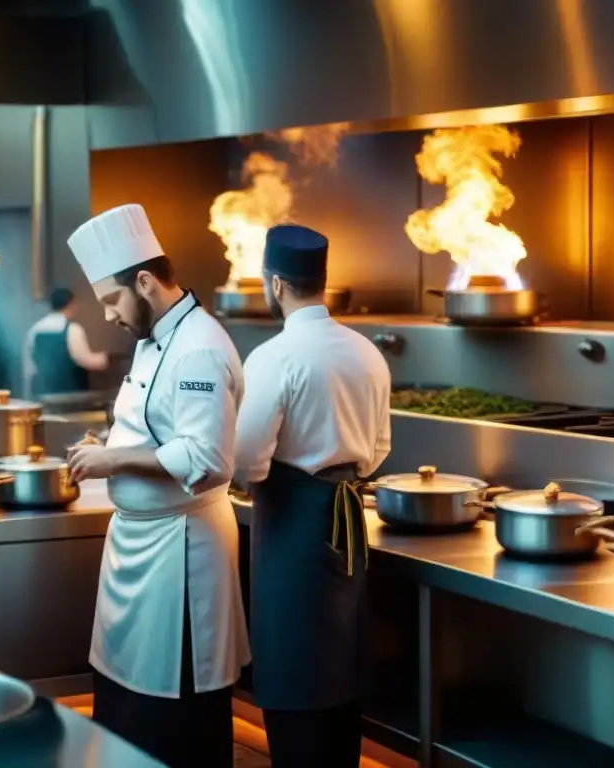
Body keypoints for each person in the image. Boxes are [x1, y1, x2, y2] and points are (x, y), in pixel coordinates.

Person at [65, 203, 250, 768]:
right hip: (140, 546)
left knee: (175, 707)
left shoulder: (197, 345)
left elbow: (206, 457)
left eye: (112, 301)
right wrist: (110, 444)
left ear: (144, 281)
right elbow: (156, 426)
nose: (109, 317)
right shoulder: (152, 339)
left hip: (180, 551)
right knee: (126, 701)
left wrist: (113, 461)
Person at [233, 224, 392, 768]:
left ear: (274, 284)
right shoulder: (368, 353)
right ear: (321, 282)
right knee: (339, 657)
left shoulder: (273, 357)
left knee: (291, 656)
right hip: (346, 515)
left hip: (291, 522)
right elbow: (377, 449)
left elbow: (245, 459)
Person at [22, 286, 109, 398]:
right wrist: (105, 359)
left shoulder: (34, 329)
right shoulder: (72, 329)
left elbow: (29, 369)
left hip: (42, 396)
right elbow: (86, 360)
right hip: (69, 396)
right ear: (71, 304)